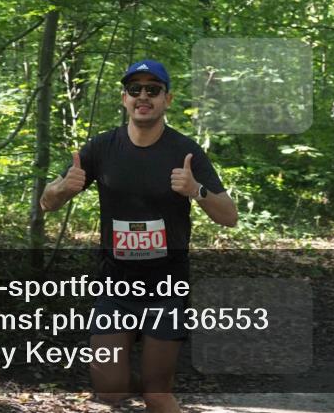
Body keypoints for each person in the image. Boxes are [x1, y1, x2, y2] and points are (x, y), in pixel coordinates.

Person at [40, 59, 238, 413]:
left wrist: (196, 190)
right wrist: (63, 189)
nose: (143, 96)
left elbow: (229, 216)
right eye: (135, 89)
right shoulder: (102, 147)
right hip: (115, 285)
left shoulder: (185, 151)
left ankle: (150, 388)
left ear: (167, 99)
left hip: (166, 287)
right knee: (110, 390)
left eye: (153, 89)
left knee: (156, 394)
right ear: (124, 99)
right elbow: (47, 203)